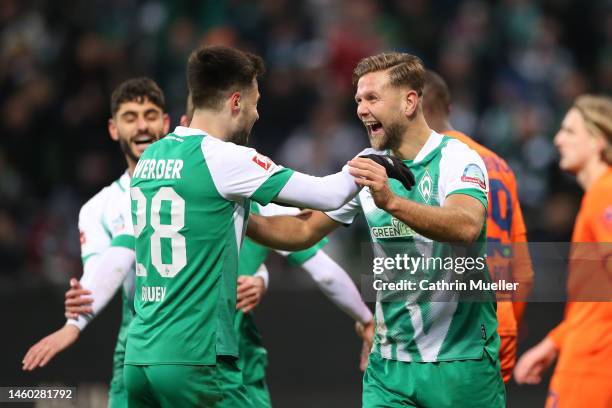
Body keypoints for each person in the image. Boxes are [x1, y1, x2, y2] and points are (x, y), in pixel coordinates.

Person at [123, 45, 388, 407]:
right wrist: (374, 157)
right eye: (254, 101)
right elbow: (328, 194)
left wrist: (261, 275)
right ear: (235, 102)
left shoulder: (151, 157)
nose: (257, 113)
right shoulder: (227, 159)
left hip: (139, 357)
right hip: (196, 356)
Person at [247, 52, 505, 407]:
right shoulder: (366, 166)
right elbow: (302, 232)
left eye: (372, 98)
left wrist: (392, 201)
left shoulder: (457, 158)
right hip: (390, 370)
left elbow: (467, 225)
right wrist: (239, 220)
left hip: (460, 362)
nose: (361, 109)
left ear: (410, 101)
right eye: (358, 100)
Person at [22, 77, 170, 408]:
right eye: (130, 117)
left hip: (201, 341)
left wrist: (259, 275)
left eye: (149, 115)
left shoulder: (195, 183)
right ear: (113, 128)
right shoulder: (98, 209)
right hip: (137, 344)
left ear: (166, 122)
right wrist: (81, 301)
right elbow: (101, 273)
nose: (142, 126)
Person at [422, 69, 534, 383]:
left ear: (415, 109)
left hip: (450, 326)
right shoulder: (499, 165)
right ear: (449, 109)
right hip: (500, 319)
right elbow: (523, 272)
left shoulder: (429, 165)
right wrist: (508, 321)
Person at [514, 95, 612, 408]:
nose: (557, 139)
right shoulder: (598, 195)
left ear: (598, 140)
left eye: (569, 131)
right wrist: (554, 342)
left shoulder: (604, 195)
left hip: (593, 365)